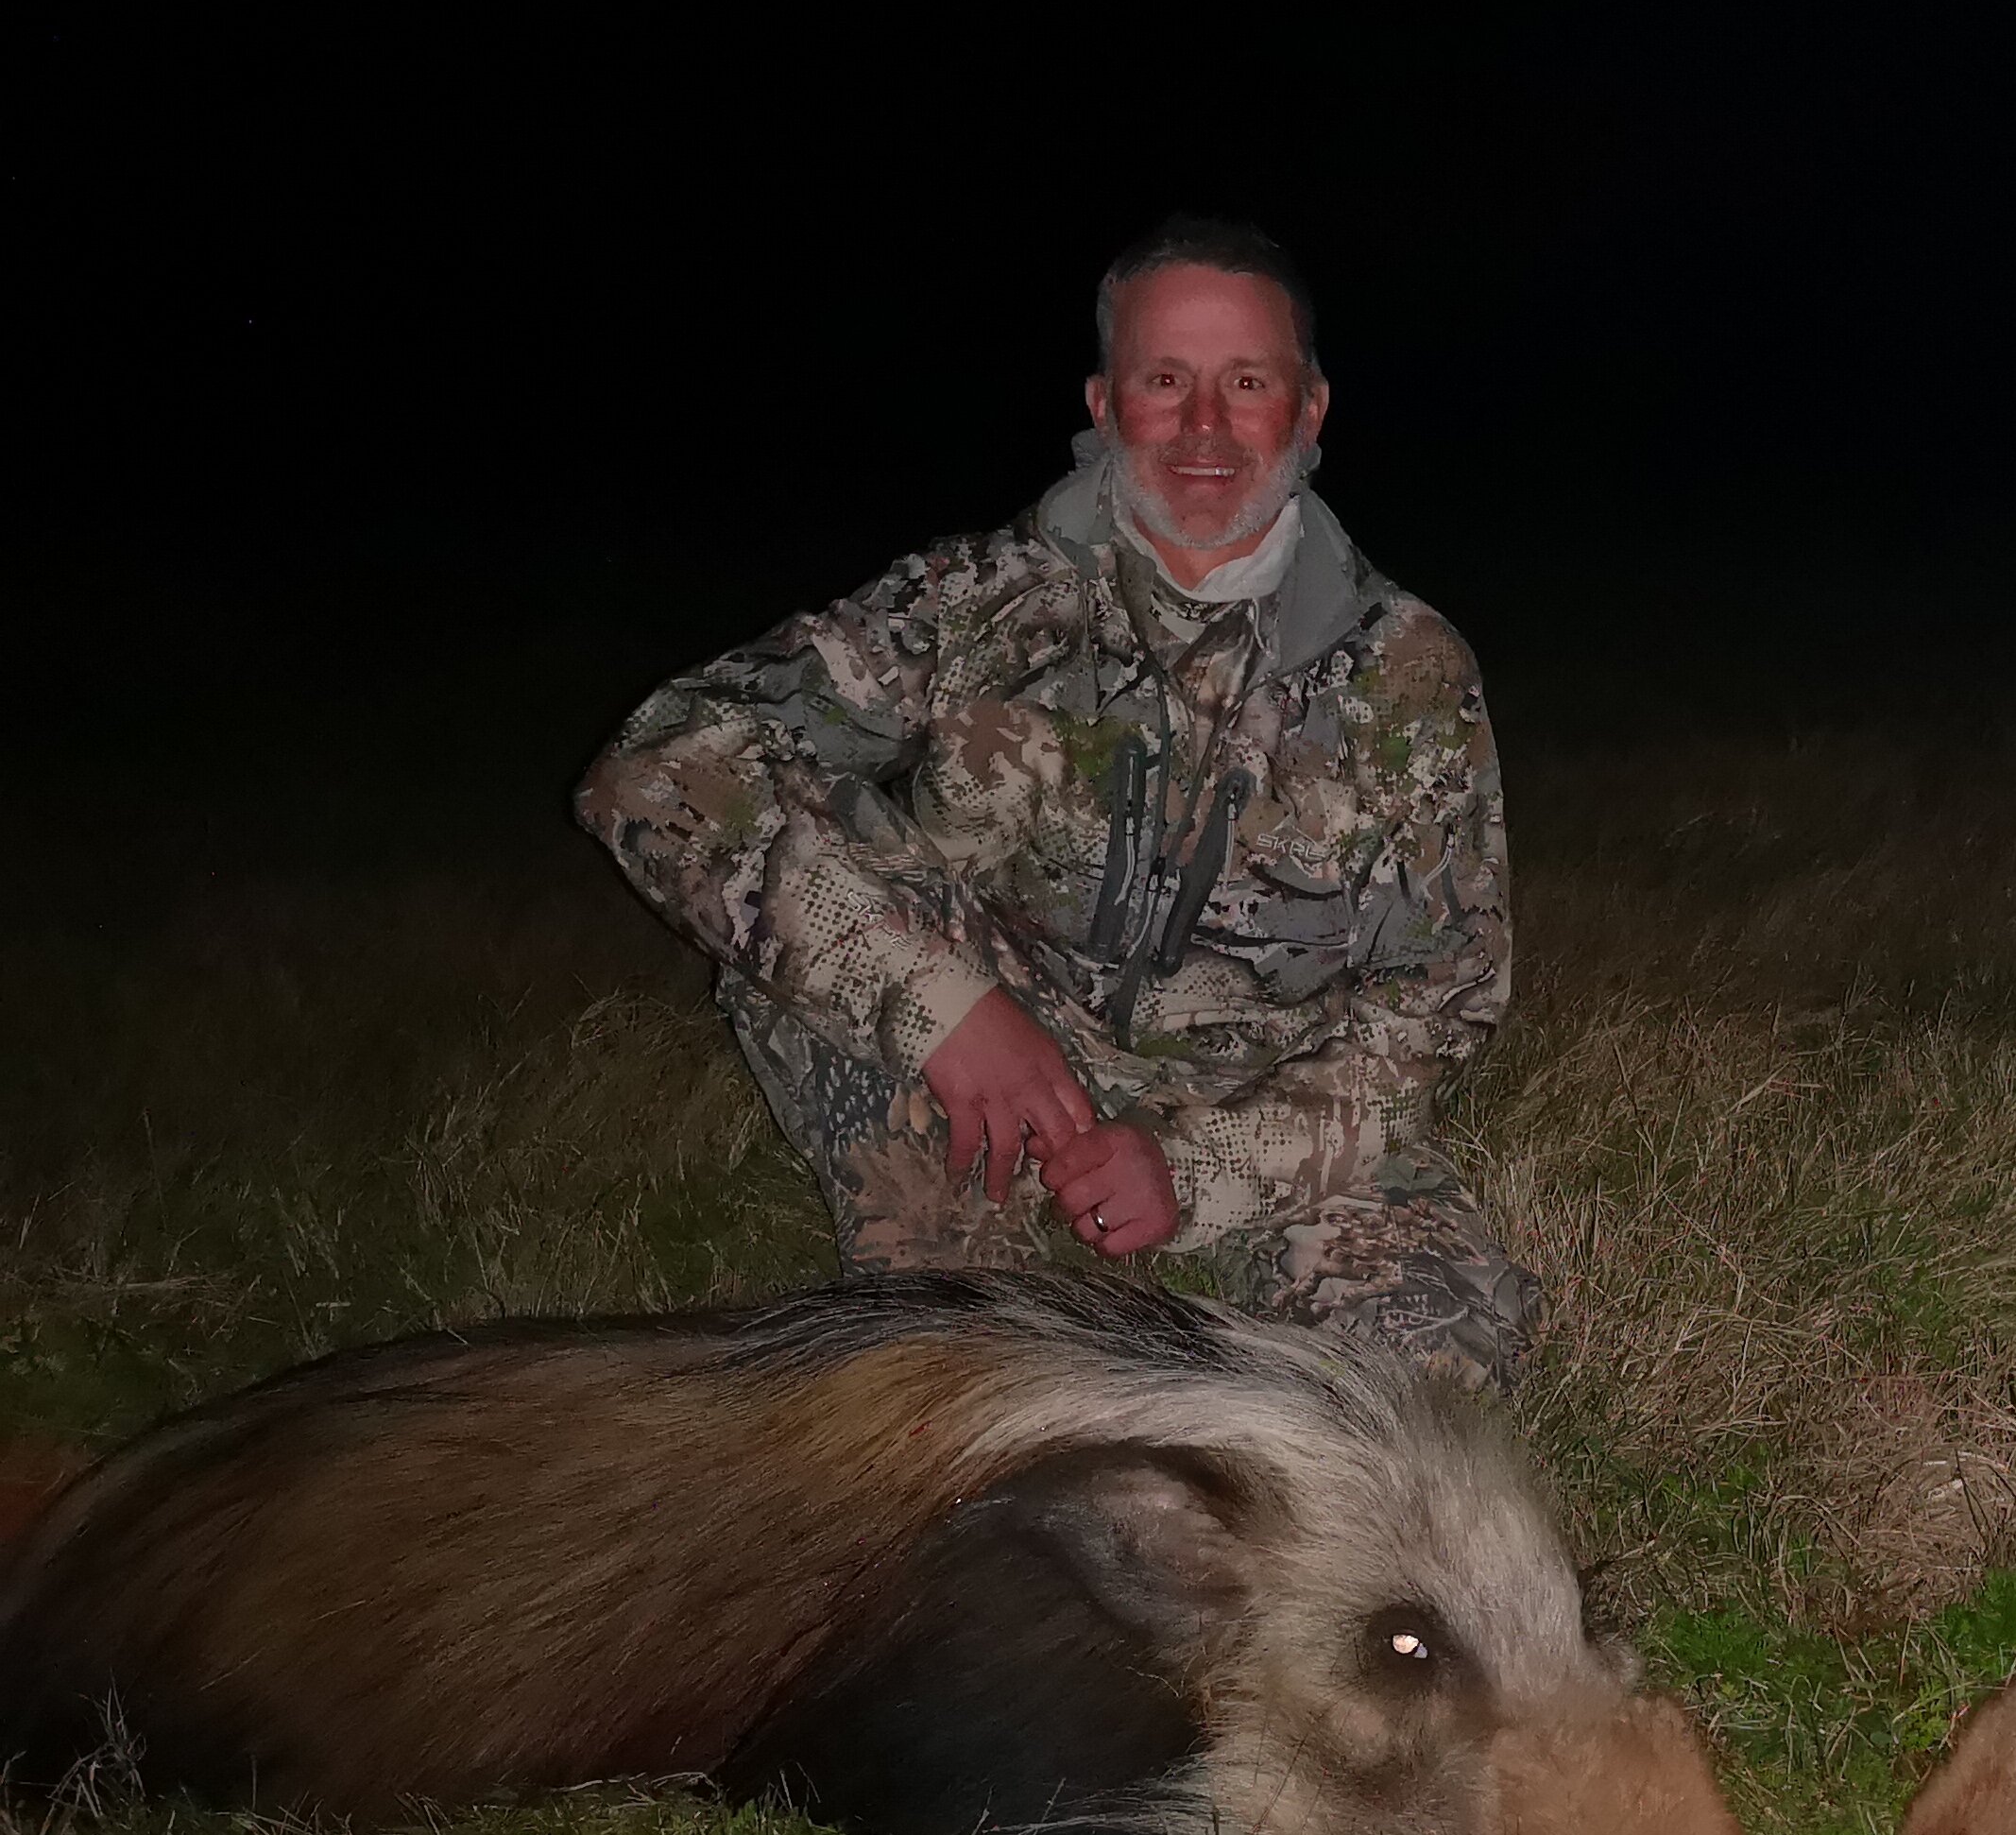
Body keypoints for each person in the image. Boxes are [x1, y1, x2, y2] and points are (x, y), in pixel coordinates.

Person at [579, 215, 1538, 1389]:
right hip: (993, 1076)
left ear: (1309, 411)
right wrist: (943, 1006)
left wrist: (1194, 1167)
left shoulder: (1407, 668)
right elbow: (660, 764)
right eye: (1163, 380)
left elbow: (1441, 1001)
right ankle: (953, 1303)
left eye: (1246, 382)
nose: (1203, 425)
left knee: (1427, 1373)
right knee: (962, 1385)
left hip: (1260, 1105)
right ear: (1101, 403)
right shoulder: (975, 599)